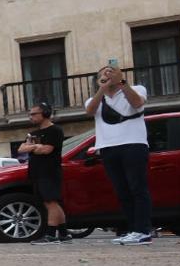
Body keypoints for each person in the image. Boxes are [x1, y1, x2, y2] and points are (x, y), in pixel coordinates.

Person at [84, 63, 152, 245]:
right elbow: (90, 111)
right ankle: (132, 229)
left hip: (133, 144)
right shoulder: (95, 99)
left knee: (137, 188)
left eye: (110, 73)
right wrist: (102, 88)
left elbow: (137, 103)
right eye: (103, 74)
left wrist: (122, 83)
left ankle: (143, 230)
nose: (107, 76)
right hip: (108, 147)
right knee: (122, 190)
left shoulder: (136, 89)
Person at [19, 102, 68, 244]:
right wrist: (36, 146)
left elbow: (46, 150)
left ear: (45, 113)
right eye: (30, 114)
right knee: (49, 203)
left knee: (51, 202)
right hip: (36, 171)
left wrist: (32, 147)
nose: (31, 117)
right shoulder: (33, 133)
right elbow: (21, 149)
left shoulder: (55, 130)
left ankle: (51, 235)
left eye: (34, 114)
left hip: (49, 171)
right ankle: (64, 234)